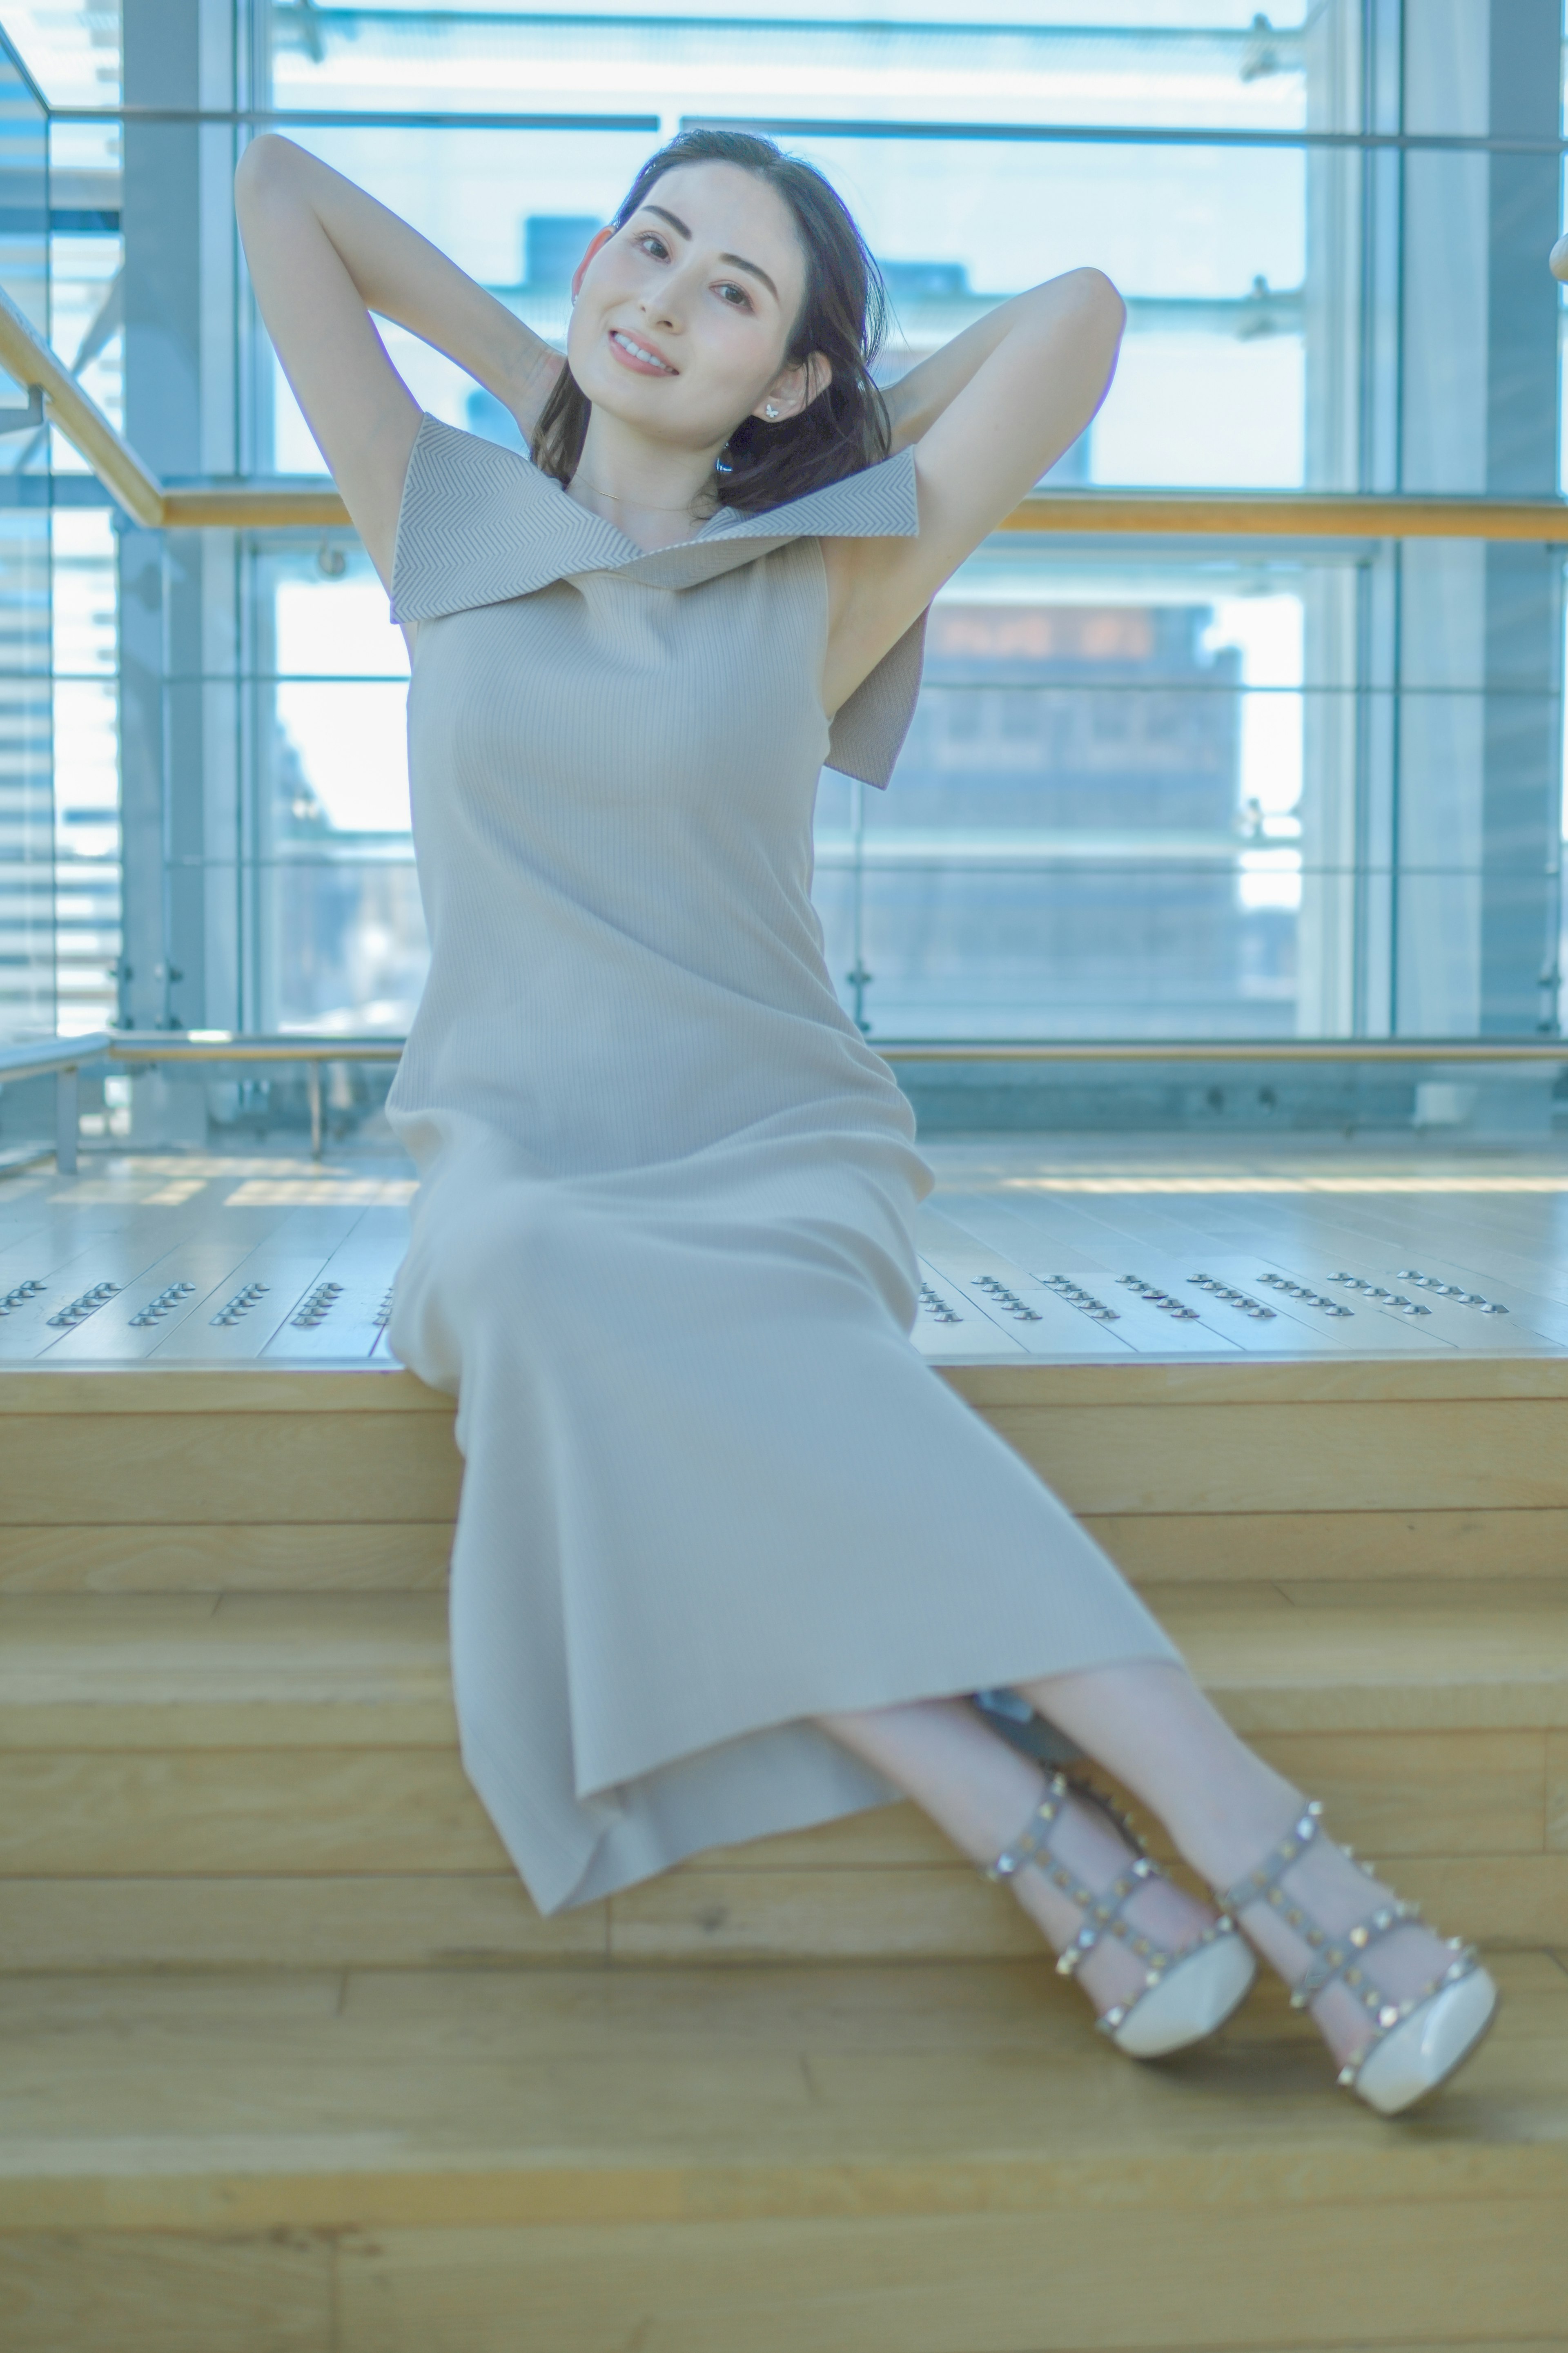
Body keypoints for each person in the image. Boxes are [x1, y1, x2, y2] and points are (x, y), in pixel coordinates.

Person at [236, 126, 1495, 2115]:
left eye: (730, 292)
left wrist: (812, 439)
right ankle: (1092, 1819)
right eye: (643, 249)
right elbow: (278, 193)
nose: (659, 294)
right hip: (517, 1171)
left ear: (797, 375)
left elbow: (1078, 321)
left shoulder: (824, 574)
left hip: (769, 1152)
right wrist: (558, 375)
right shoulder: (441, 519)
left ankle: (1186, 1854)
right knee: (544, 1282)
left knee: (650, 1370)